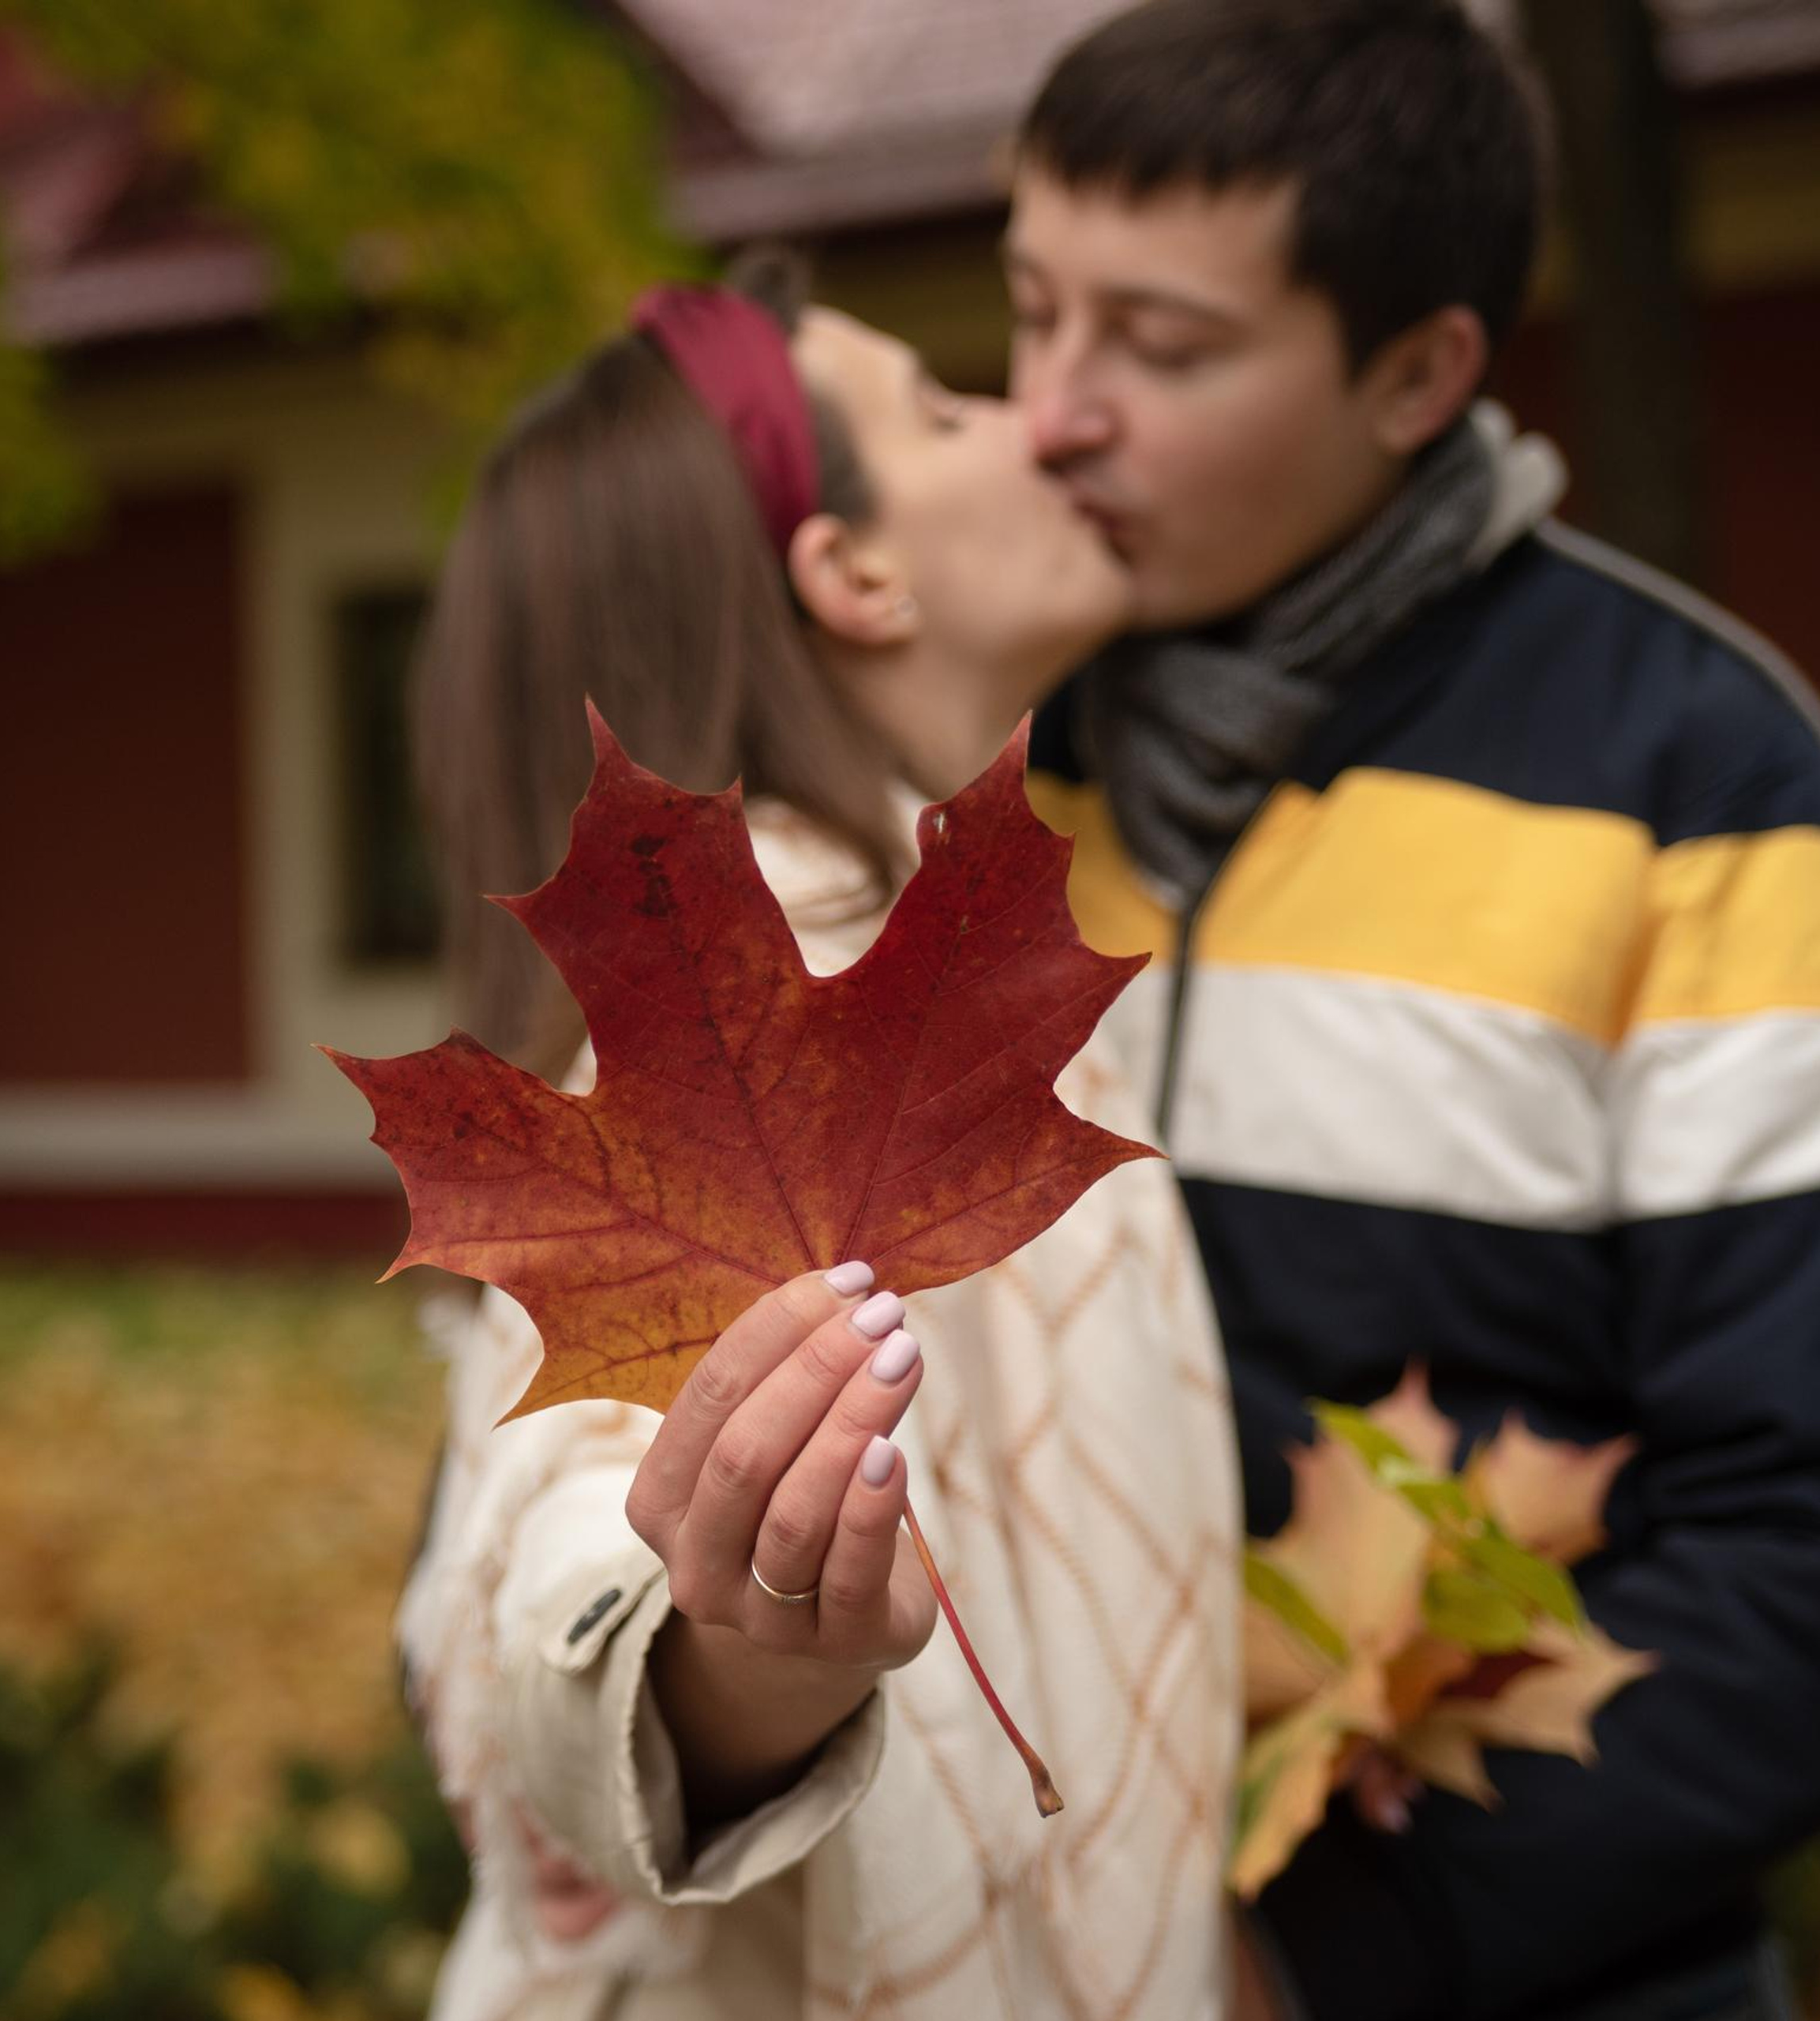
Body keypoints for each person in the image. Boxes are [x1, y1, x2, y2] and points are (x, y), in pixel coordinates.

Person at [1003, 3, 1820, 2017]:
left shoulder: (1699, 784)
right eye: (1028, 313)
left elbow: (1792, 1532)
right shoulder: (958, 746)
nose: (1051, 411)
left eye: (1160, 347)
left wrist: (1309, 1950)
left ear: (1417, 372)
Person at [395, 255, 1243, 2020]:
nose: (1036, 422)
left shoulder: (934, 950)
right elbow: (573, 1540)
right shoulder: (773, 975)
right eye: (943, 409)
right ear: (847, 571)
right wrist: (720, 1661)